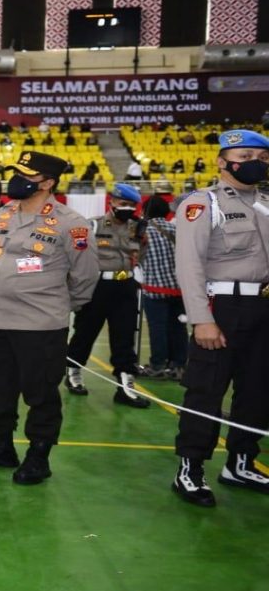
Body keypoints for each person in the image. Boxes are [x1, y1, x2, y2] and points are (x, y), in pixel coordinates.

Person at [0, 151, 99, 485]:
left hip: (40, 325)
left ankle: (38, 455)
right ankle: (0, 446)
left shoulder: (71, 223)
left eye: (25, 175)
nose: (15, 180)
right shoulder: (4, 214)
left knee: (41, 393)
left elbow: (85, 278)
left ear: (47, 183)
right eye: (15, 173)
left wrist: (57, 305)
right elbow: (0, 259)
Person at [170, 129, 269, 507]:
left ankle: (241, 461)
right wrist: (201, 319)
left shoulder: (265, 203)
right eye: (245, 157)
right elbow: (189, 266)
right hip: (221, 309)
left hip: (262, 308)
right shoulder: (201, 203)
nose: (254, 164)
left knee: (258, 389)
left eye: (261, 157)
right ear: (222, 161)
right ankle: (190, 469)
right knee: (206, 391)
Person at [64, 184, 149, 408]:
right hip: (97, 287)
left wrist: (143, 241)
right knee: (84, 333)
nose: (127, 208)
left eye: (131, 205)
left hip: (125, 286)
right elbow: (78, 256)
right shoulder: (93, 225)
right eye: (123, 203)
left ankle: (124, 387)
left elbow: (140, 257)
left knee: (124, 338)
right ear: (112, 201)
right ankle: (73, 373)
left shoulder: (136, 228)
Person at [136, 195, 187, 381]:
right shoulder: (176, 229)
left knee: (158, 328)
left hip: (155, 288)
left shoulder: (143, 231)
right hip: (179, 288)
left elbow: (136, 256)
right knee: (179, 328)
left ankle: (158, 365)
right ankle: (179, 366)